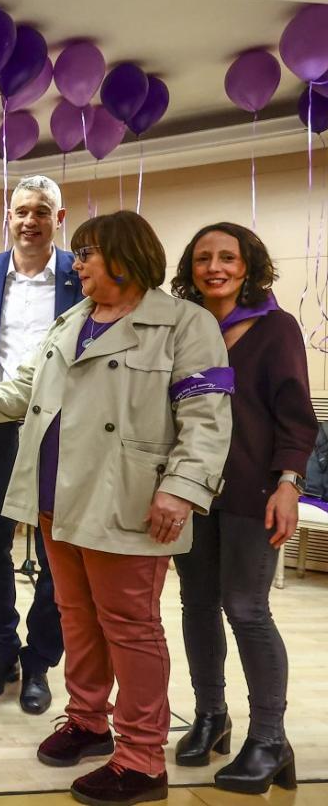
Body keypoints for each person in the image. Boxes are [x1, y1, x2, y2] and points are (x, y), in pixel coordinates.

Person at [0, 210, 233, 806]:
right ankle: (88, 721)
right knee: (76, 618)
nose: (77, 263)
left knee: (131, 627)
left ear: (122, 255)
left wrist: (181, 489)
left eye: (87, 253)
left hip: (130, 499)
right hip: (54, 497)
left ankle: (142, 758)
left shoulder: (182, 323)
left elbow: (208, 420)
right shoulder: (73, 319)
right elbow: (22, 389)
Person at [170, 223, 315, 794]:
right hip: (195, 492)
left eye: (227, 257)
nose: (215, 267)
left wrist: (289, 484)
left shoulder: (277, 329)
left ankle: (270, 739)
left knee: (247, 609)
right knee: (197, 604)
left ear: (248, 266)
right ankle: (212, 716)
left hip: (256, 491)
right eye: (203, 258)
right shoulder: (185, 329)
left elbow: (297, 417)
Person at [0, 175, 81, 714]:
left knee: (57, 554)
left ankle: (40, 660)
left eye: (41, 211)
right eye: (21, 211)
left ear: (60, 216)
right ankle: (1, 649)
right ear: (8, 216)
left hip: (64, 430)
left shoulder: (81, 273)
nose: (30, 221)